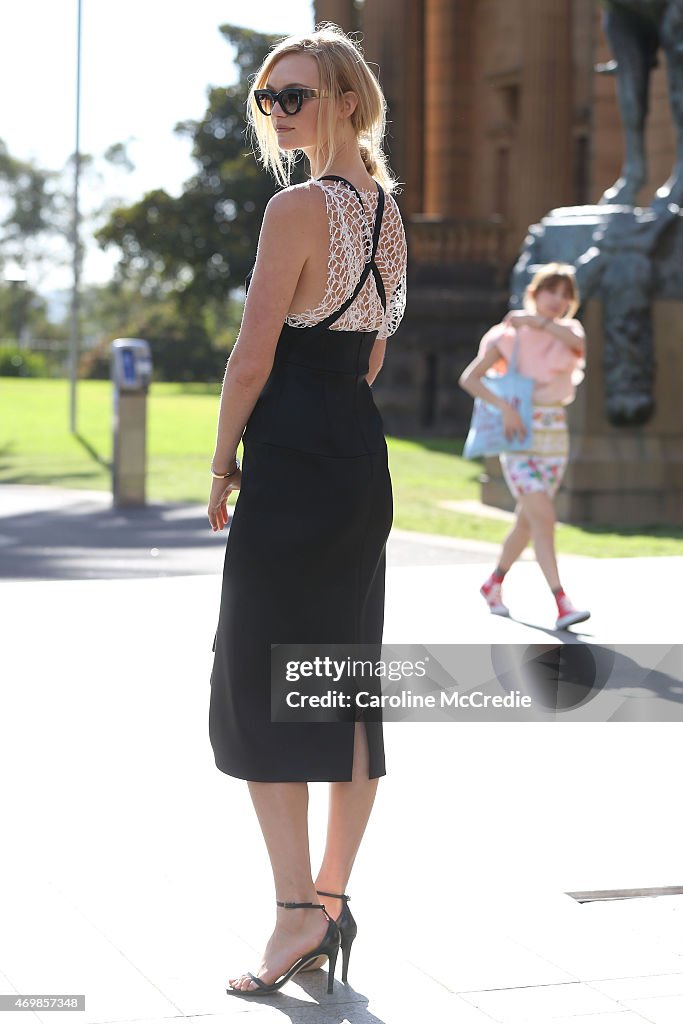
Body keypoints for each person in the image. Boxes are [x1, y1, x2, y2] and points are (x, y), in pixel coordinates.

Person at [206, 24, 407, 996]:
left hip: (287, 459)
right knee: (341, 681)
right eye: (269, 97)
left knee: (258, 681)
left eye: (296, 95)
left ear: (346, 102)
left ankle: (295, 914)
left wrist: (218, 463)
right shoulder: (388, 216)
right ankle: (330, 898)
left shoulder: (297, 208)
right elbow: (369, 357)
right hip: (356, 461)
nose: (278, 112)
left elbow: (251, 356)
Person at [459, 263, 590, 631]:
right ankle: (562, 601)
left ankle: (493, 583)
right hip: (519, 439)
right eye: (552, 291)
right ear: (535, 291)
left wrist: (538, 323)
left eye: (566, 295)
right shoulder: (507, 336)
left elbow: (578, 346)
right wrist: (505, 409)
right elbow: (470, 378)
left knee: (529, 522)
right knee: (544, 518)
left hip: (554, 438)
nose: (558, 301)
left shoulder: (569, 331)